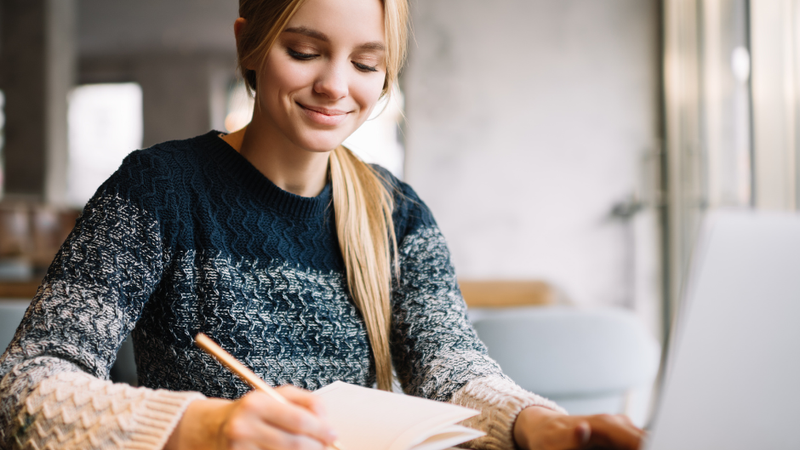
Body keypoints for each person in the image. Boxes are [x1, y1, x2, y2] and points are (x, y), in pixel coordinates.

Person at [0, 0, 645, 449]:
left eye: (366, 64)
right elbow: (26, 390)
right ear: (248, 42)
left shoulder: (399, 214)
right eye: (305, 51)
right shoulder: (161, 189)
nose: (336, 86)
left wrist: (536, 424)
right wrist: (204, 430)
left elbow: (450, 367)